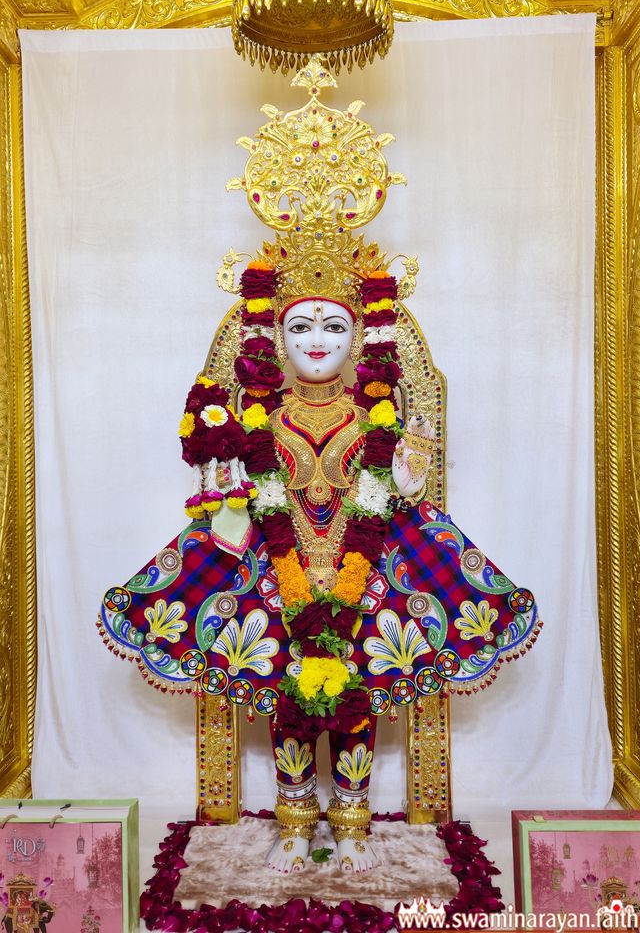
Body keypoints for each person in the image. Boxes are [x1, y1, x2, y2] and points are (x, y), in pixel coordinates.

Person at [98, 58, 540, 875]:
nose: (315, 342)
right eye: (299, 326)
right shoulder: (257, 416)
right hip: (277, 565)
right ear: (275, 338)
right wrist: (226, 470)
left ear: (359, 337)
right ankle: (297, 821)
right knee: (289, 695)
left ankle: (357, 824)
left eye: (332, 327)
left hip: (366, 569)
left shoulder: (378, 411)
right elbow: (228, 491)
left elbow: (404, 485)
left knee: (359, 692)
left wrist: (411, 456)